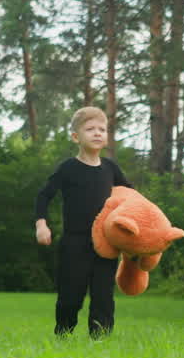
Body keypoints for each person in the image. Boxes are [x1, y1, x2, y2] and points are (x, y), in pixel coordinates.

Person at [35, 106, 132, 338]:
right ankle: (63, 334)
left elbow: (130, 197)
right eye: (90, 129)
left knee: (103, 297)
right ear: (76, 137)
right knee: (70, 297)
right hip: (75, 243)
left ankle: (100, 341)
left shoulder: (111, 168)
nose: (97, 133)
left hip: (106, 244)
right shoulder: (68, 168)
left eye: (102, 129)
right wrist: (41, 224)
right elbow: (44, 195)